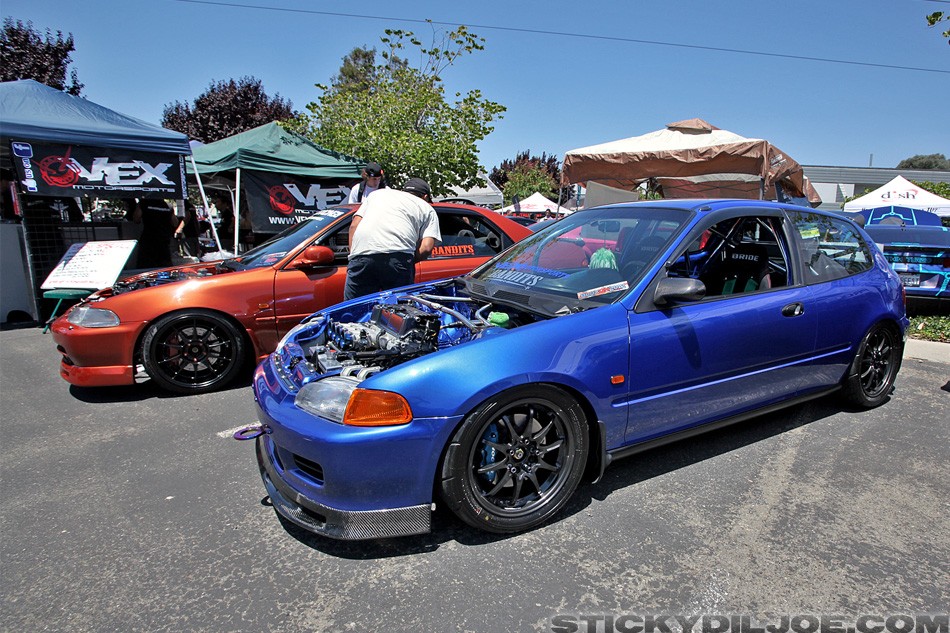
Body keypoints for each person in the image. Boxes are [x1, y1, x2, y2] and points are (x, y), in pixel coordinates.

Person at [344, 177, 441, 300]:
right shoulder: (426, 208)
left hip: (362, 256)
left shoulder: (378, 194)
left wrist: (354, 255)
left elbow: (354, 225)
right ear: (425, 197)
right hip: (398, 258)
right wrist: (408, 259)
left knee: (354, 310)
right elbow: (426, 247)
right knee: (397, 312)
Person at [133, 198, 177, 268]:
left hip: (148, 240)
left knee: (145, 266)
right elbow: (175, 223)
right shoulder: (168, 206)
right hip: (164, 240)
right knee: (164, 266)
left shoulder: (143, 203)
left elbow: (136, 219)